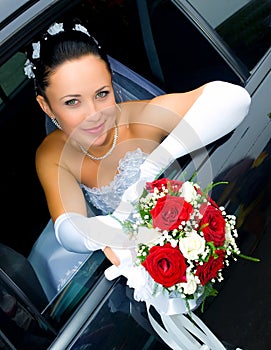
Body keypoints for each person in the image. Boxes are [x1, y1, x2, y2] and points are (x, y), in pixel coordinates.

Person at [25, 21, 251, 300]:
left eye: (101, 94)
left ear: (112, 84)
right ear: (45, 106)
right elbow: (67, 229)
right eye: (73, 102)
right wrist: (106, 231)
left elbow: (235, 99)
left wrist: (153, 165)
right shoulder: (53, 153)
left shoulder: (138, 119)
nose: (94, 115)